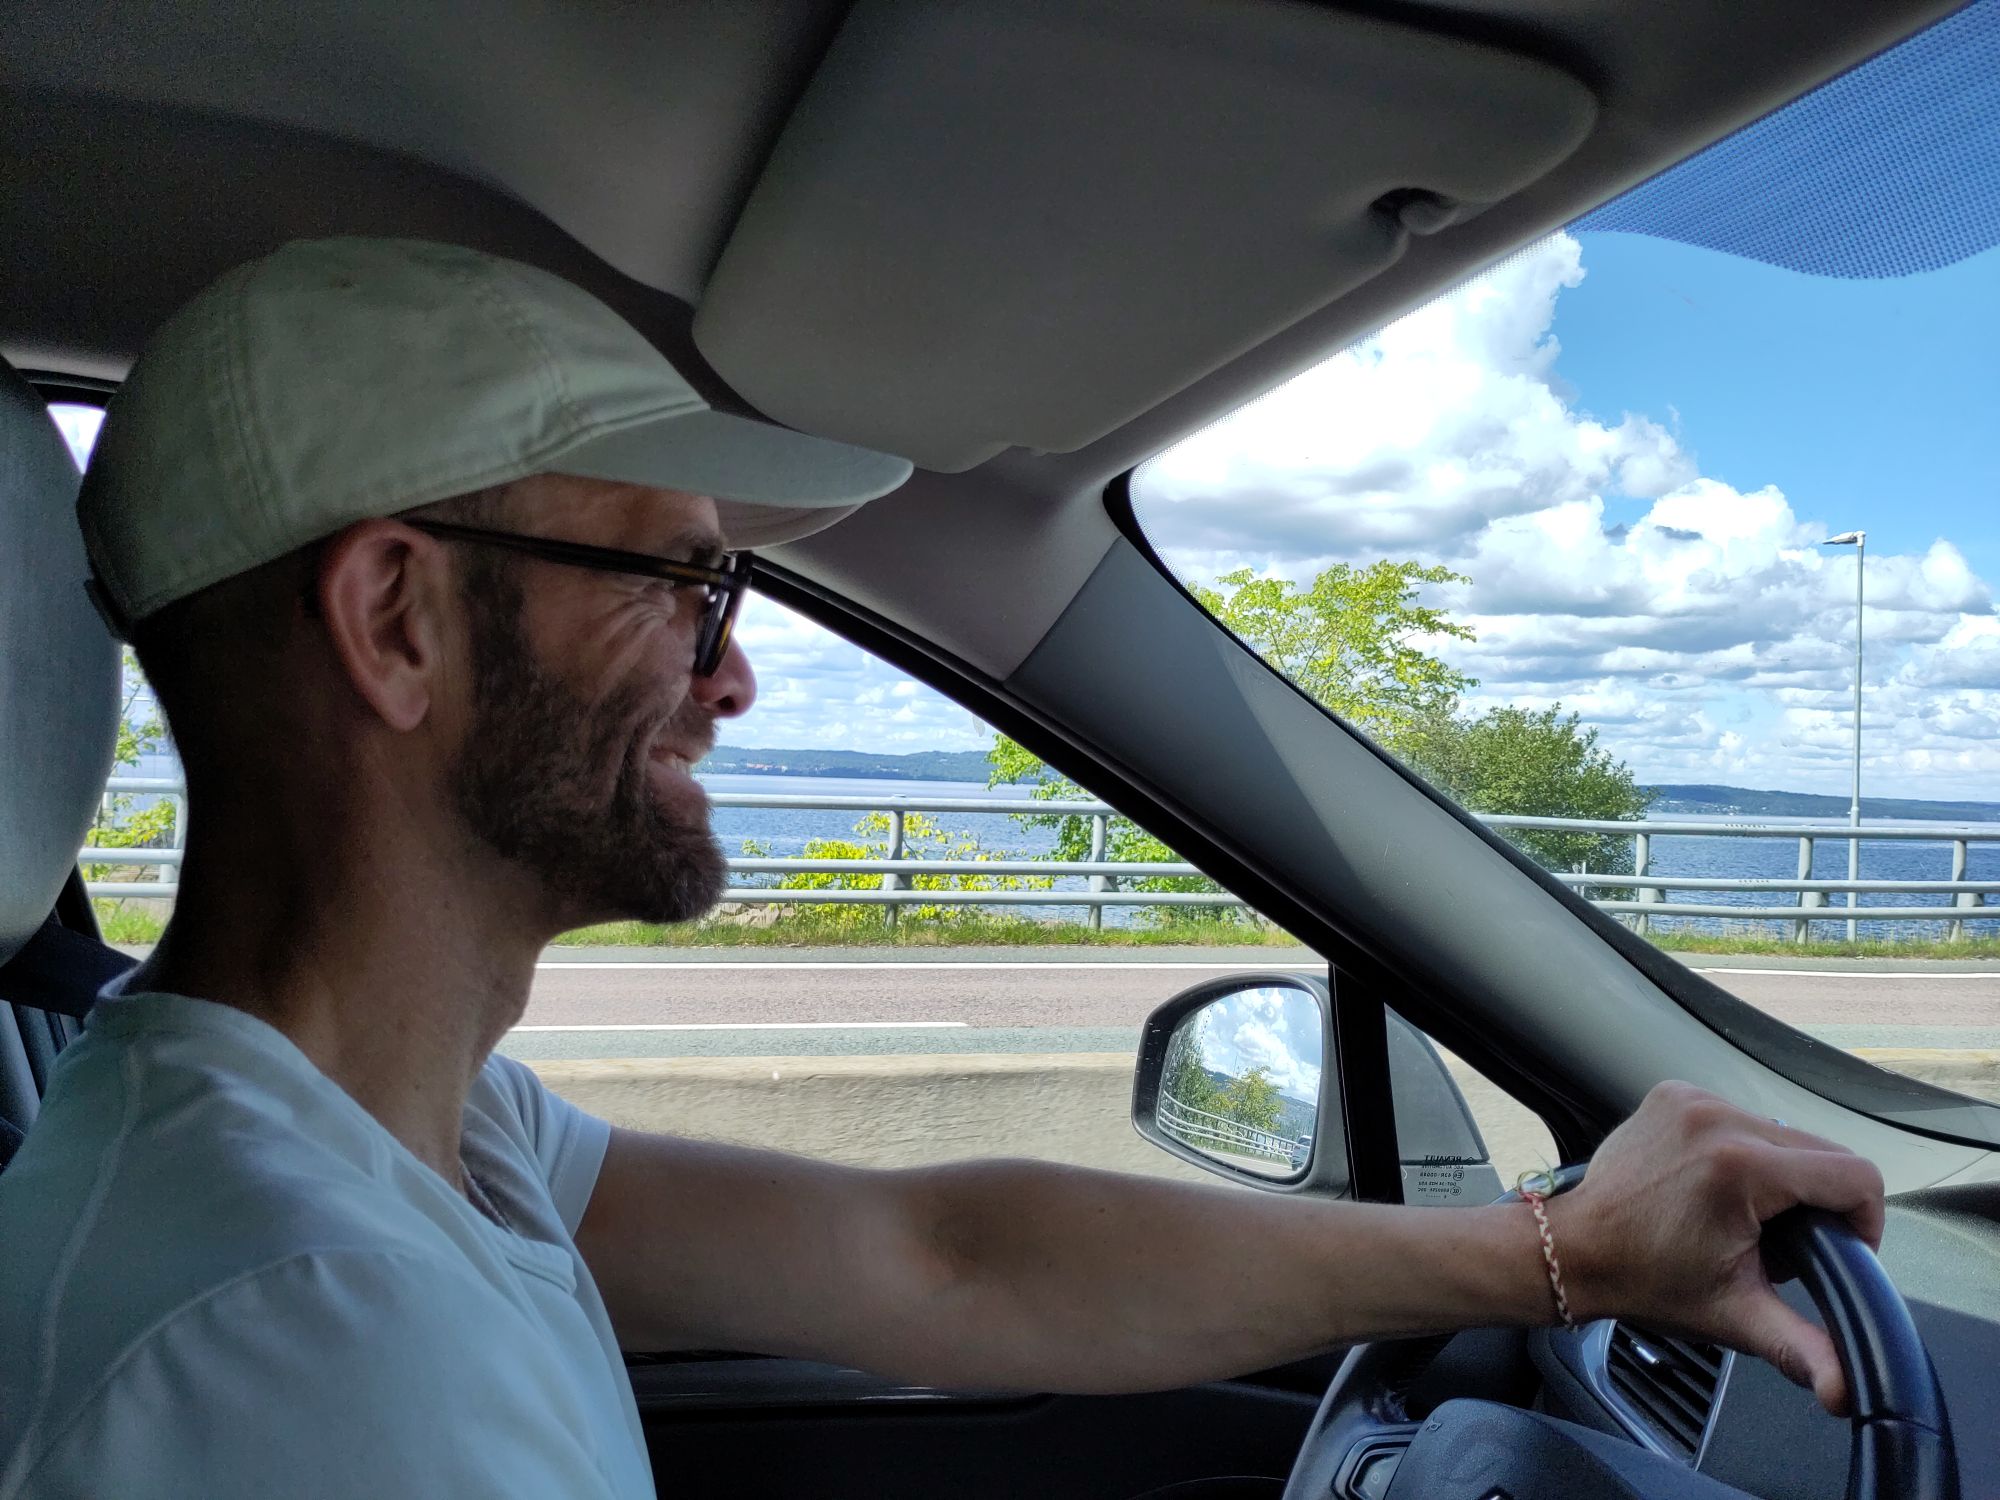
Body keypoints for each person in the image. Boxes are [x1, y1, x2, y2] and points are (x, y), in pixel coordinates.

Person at [0, 238, 1884, 1499]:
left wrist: (1557, 1256)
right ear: (395, 620)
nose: (731, 675)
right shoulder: (294, 1333)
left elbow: (941, 1260)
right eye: (679, 582)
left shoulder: (404, 1131)